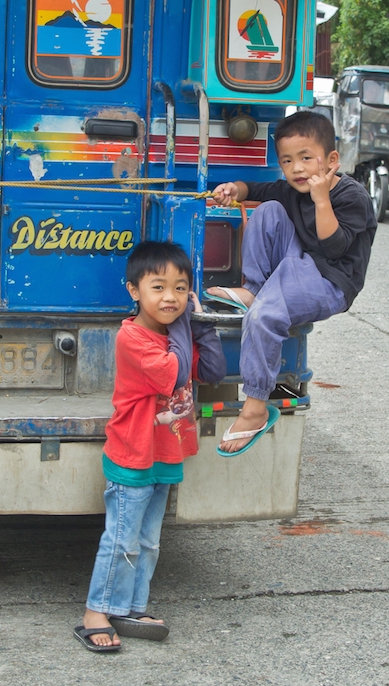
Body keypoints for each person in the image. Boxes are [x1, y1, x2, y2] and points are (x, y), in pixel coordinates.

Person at [76, 241, 222, 653]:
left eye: (181, 288)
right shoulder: (133, 338)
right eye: (158, 287)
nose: (171, 298)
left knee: (148, 541)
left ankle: (131, 607)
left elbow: (211, 369)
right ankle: (96, 611)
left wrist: (202, 325)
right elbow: (173, 377)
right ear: (133, 291)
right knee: (122, 539)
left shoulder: (178, 336)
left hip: (164, 453)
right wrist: (184, 329)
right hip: (132, 456)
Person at [204, 109, 376, 455]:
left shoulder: (352, 197)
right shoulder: (290, 190)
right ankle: (254, 290)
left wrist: (321, 199)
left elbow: (335, 246)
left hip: (331, 281)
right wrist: (231, 189)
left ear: (331, 160)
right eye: (286, 160)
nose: (296, 168)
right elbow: (255, 188)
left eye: (306, 158)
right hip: (299, 265)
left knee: (265, 316)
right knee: (268, 209)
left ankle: (255, 409)